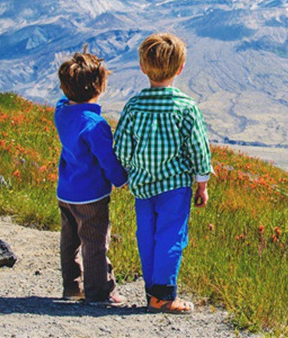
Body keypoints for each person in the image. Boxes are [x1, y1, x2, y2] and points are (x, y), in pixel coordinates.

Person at [113, 32, 212, 314]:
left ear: (143, 68)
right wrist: (202, 184)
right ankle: (164, 296)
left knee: (147, 236)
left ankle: (152, 293)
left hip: (142, 186)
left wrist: (131, 170)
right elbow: (199, 150)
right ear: (180, 68)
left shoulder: (133, 106)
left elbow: (121, 147)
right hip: (175, 187)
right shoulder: (186, 107)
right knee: (171, 238)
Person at [54, 48, 128, 306]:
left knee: (70, 241)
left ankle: (72, 287)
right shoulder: (95, 125)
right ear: (99, 87)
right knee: (94, 243)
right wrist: (121, 179)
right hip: (91, 196)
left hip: (66, 192)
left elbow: (64, 101)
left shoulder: (62, 112)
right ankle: (99, 292)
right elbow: (107, 159)